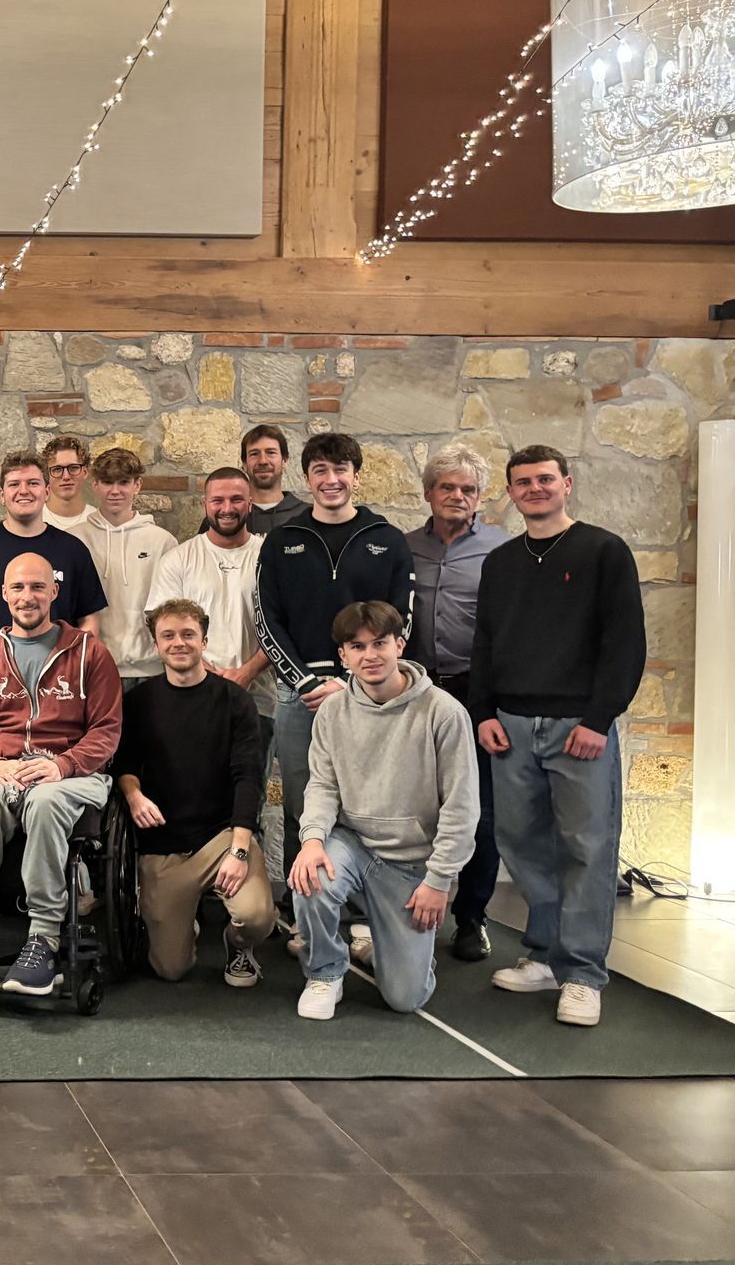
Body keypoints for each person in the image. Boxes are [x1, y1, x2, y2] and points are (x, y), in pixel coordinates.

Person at [472, 446, 646, 1028]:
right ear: (511, 493)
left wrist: (599, 719)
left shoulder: (603, 551)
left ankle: (583, 975)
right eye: (523, 482)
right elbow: (485, 642)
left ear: (566, 484)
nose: (535, 489)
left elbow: (625, 641)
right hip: (512, 726)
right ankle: (545, 955)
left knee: (586, 849)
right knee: (521, 844)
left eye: (545, 479)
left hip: (579, 728)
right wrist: (484, 711)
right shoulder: (501, 562)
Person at [255, 431, 416, 963]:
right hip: (299, 696)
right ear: (307, 478)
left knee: (369, 806)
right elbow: (267, 621)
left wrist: (352, 686)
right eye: (320, 470)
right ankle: (307, 918)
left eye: (341, 469)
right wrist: (306, 683)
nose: (331, 480)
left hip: (370, 697)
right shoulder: (283, 540)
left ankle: (365, 918)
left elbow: (401, 621)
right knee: (303, 807)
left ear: (356, 476)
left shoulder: (386, 539)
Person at [291, 601, 479, 1020]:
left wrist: (439, 881)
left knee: (405, 998)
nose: (370, 655)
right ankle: (325, 971)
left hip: (410, 866)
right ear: (343, 655)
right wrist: (313, 840)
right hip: (352, 844)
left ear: (400, 645)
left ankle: (395, 949)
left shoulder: (444, 713)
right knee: (309, 876)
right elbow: (322, 785)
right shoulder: (332, 711)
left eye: (379, 643)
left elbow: (462, 808)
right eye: (357, 646)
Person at [0, 553, 123, 995]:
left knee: (45, 801)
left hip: (72, 773)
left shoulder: (90, 653)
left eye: (37, 587)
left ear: (54, 592)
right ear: (4, 594)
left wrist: (62, 765)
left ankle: (44, 938)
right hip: (2, 768)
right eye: (19, 588)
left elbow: (106, 730)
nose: (28, 597)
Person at [115, 599, 273, 987]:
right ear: (156, 645)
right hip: (164, 846)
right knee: (171, 969)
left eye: (188, 634)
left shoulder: (235, 700)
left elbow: (248, 778)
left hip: (222, 838)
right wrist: (134, 796)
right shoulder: (138, 702)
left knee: (256, 917)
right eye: (168, 636)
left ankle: (238, 944)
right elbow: (124, 766)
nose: (179, 643)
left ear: (204, 640)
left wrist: (239, 850)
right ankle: (183, 921)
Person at [148, 467, 276, 882]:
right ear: (205, 504)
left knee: (249, 794)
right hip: (193, 698)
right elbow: (165, 627)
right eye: (217, 500)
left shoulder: (268, 555)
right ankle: (193, 889)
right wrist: (210, 675)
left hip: (258, 696)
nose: (227, 508)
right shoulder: (180, 558)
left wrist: (246, 672)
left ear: (250, 503)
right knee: (191, 791)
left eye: (236, 499)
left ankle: (240, 888)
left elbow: (284, 625)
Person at [405, 443, 506, 961]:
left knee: (479, 809)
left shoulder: (501, 549)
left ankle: (472, 918)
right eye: (447, 487)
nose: (458, 496)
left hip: (476, 691)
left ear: (479, 496)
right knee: (413, 807)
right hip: (417, 691)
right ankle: (408, 914)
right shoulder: (403, 547)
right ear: (429, 493)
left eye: (468, 489)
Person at [0, 451, 106, 654]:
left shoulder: (73, 550)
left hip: (58, 670)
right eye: (14, 484)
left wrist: (68, 661)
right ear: (2, 495)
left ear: (47, 492)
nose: (24, 491)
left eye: (33, 483)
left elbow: (89, 618)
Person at [81, 447, 176, 687]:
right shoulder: (74, 539)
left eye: (123, 482)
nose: (115, 491)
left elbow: (172, 608)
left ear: (137, 485)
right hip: (92, 667)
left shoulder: (162, 541)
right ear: (95, 485)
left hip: (150, 668)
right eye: (107, 482)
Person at [237, 425, 310, 535]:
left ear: (284, 461)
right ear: (244, 464)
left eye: (271, 453)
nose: (263, 461)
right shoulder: (229, 516)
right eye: (254, 454)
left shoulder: (308, 515)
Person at [39, 435, 94, 529]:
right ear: (46, 474)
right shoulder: (34, 520)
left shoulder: (97, 521)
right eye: (57, 469)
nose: (66, 477)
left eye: (73, 468)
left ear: (85, 472)